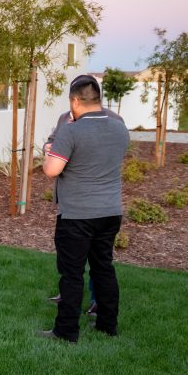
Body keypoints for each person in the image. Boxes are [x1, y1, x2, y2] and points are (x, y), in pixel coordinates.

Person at [38, 75, 129, 343]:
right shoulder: (119, 128)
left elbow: (52, 169)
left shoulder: (71, 130)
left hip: (77, 213)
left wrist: (48, 152)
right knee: (104, 268)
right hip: (111, 211)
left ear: (75, 100)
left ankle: (65, 332)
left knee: (72, 274)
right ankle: (107, 325)